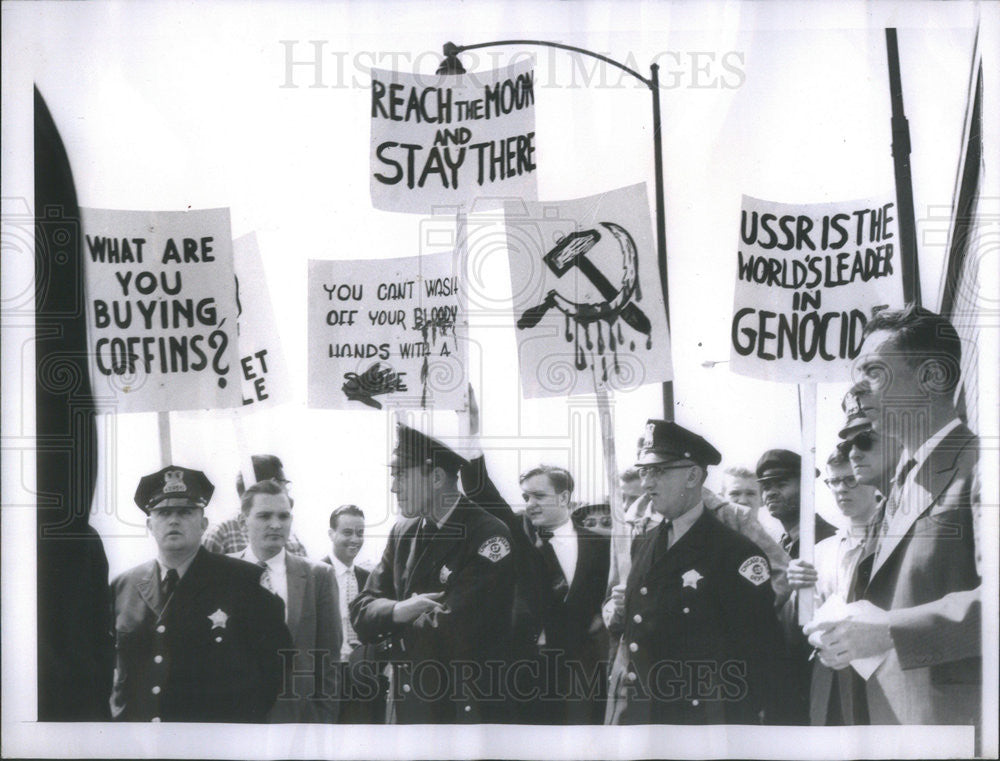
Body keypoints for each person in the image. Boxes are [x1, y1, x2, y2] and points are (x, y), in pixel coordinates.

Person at [806, 305, 981, 729]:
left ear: (934, 376)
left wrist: (890, 632)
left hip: (954, 727)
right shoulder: (902, 483)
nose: (858, 391)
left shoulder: (978, 467)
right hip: (891, 722)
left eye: (874, 372)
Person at [607, 420, 784, 725]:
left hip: (701, 718)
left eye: (659, 471)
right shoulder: (642, 542)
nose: (648, 483)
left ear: (692, 475)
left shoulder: (736, 553)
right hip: (642, 712)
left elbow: (760, 654)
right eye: (644, 471)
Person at [349, 424, 516, 724]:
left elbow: (454, 628)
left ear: (437, 477)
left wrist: (388, 620)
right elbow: (361, 611)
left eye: (401, 474)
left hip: (458, 706)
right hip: (407, 701)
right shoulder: (403, 532)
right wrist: (401, 610)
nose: (394, 487)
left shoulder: (488, 534)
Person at [110, 466, 290, 722]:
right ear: (150, 525)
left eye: (185, 512)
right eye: (163, 512)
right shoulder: (123, 587)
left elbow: (275, 668)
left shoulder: (243, 582)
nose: (174, 520)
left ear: (203, 523)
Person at [229, 479, 341, 723]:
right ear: (242, 522)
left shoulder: (318, 576)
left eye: (284, 516)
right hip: (236, 720)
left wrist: (323, 722)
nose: (276, 525)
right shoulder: (220, 574)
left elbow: (329, 660)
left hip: (297, 720)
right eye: (264, 516)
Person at [785, 450, 881, 724]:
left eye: (850, 480)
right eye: (834, 481)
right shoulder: (820, 552)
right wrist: (797, 594)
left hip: (879, 680)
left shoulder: (891, 544)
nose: (841, 489)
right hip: (830, 685)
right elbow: (805, 621)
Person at [517, 465, 611, 725]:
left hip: (583, 669)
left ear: (564, 497)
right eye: (526, 498)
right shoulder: (520, 541)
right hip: (528, 670)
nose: (530, 504)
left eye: (538, 496)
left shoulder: (602, 545)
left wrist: (601, 617)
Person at [321, 504, 388, 724]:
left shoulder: (368, 577)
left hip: (364, 673)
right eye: (347, 532)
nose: (355, 539)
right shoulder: (316, 573)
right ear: (332, 534)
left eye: (360, 533)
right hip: (328, 674)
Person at [202, 454, 308, 557]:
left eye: (283, 517)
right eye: (285, 483)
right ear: (273, 484)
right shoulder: (220, 535)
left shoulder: (289, 538)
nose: (275, 525)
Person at [756, 449, 837, 557]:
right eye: (766, 487)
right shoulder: (779, 545)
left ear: (806, 489)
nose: (771, 493)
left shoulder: (829, 539)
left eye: (781, 485)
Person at [720, 465, 785, 543]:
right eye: (735, 493)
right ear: (721, 498)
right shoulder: (711, 535)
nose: (743, 501)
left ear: (762, 499)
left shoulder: (775, 540)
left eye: (750, 494)